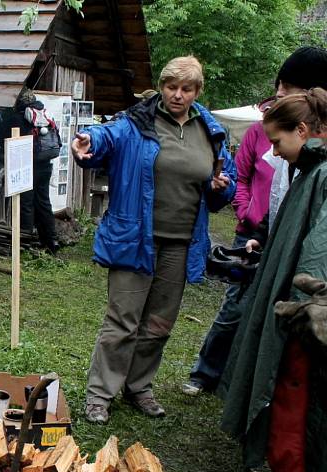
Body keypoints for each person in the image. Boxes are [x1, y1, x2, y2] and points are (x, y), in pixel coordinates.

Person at [70, 56, 236, 424]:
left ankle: (139, 385)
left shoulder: (210, 132)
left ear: (197, 91)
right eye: (171, 86)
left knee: (159, 323)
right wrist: (88, 142)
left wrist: (222, 186)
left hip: (182, 242)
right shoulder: (138, 122)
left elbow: (225, 181)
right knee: (122, 320)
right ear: (161, 87)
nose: (177, 95)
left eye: (186, 88)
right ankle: (100, 394)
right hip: (134, 237)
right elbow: (105, 136)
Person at [184, 46, 327, 396]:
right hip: (261, 235)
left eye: (288, 86)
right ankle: (211, 375)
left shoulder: (315, 164)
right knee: (237, 309)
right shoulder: (268, 135)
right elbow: (251, 181)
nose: (278, 92)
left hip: (298, 269)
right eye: (279, 84)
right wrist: (254, 220)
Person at [220, 88, 327, 472]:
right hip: (295, 308)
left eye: (279, 143)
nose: (277, 154)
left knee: (300, 405)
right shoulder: (311, 169)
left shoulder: (323, 174)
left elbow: (320, 246)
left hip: (308, 319)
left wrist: (308, 306)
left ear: (302, 130)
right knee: (285, 397)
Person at [0, 90, 61, 254]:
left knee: (26, 204)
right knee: (44, 202)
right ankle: (50, 241)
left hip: (27, 167)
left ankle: (24, 243)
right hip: (45, 166)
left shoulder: (15, 119)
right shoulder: (43, 117)